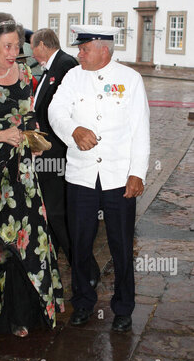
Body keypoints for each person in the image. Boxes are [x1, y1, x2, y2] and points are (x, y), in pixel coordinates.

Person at [0, 13, 64, 340]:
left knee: (26, 243)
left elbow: (29, 119)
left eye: (16, 46)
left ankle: (21, 316)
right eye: (7, 46)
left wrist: (37, 142)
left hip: (22, 175)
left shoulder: (23, 74)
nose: (12, 52)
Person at [48, 24, 150, 331]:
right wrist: (73, 131)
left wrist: (137, 173)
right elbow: (56, 112)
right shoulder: (73, 77)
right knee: (79, 244)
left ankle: (123, 307)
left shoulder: (130, 80)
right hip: (81, 176)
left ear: (103, 49)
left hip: (118, 176)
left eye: (84, 48)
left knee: (121, 246)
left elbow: (140, 130)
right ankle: (83, 302)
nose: (78, 53)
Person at [31, 28, 101, 281]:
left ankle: (87, 271)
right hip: (45, 154)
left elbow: (64, 115)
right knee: (50, 216)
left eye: (31, 46)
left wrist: (47, 148)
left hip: (56, 156)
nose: (30, 52)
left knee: (58, 215)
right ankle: (51, 268)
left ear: (41, 44)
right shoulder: (51, 67)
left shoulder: (65, 65)